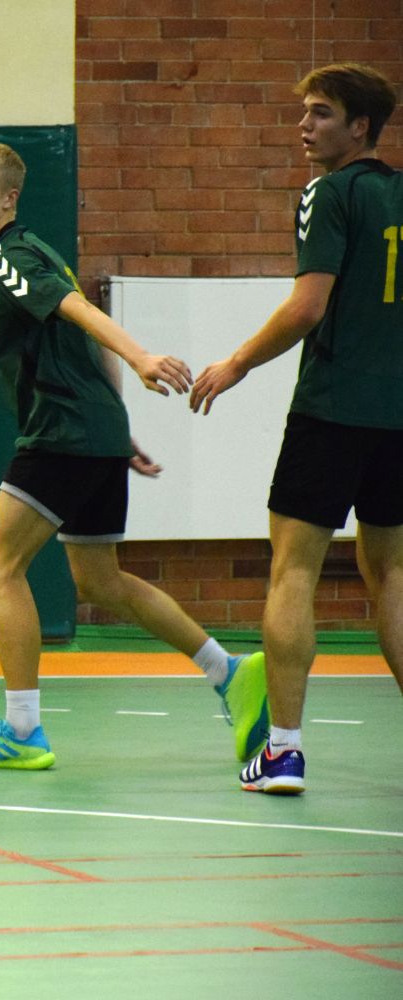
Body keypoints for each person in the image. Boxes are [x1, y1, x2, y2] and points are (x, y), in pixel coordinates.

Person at [0, 141, 268, 771]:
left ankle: (22, 730)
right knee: (100, 580)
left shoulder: (11, 256)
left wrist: (141, 357)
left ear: (10, 199)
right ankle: (228, 671)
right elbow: (81, 327)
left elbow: (77, 309)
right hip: (93, 429)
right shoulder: (40, 250)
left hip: (60, 431)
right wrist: (115, 431)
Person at [190, 63, 402, 796]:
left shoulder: (328, 192)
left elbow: (308, 306)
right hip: (397, 420)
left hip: (332, 410)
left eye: (321, 113)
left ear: (360, 128)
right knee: (393, 574)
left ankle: (282, 751)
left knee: (294, 569)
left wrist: (237, 363)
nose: (303, 126)